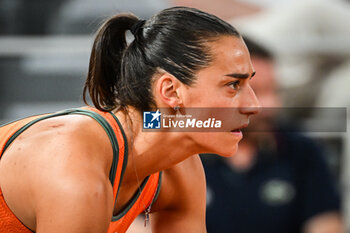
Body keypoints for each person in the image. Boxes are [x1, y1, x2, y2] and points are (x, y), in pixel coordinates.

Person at [0, 7, 259, 233]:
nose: (253, 105)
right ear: (170, 91)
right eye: (233, 84)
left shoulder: (181, 170)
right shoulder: (73, 166)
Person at [201, 37, 343, 233]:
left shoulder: (302, 151)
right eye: (255, 91)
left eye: (274, 90)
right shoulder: (180, 155)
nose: (270, 104)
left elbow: (327, 224)